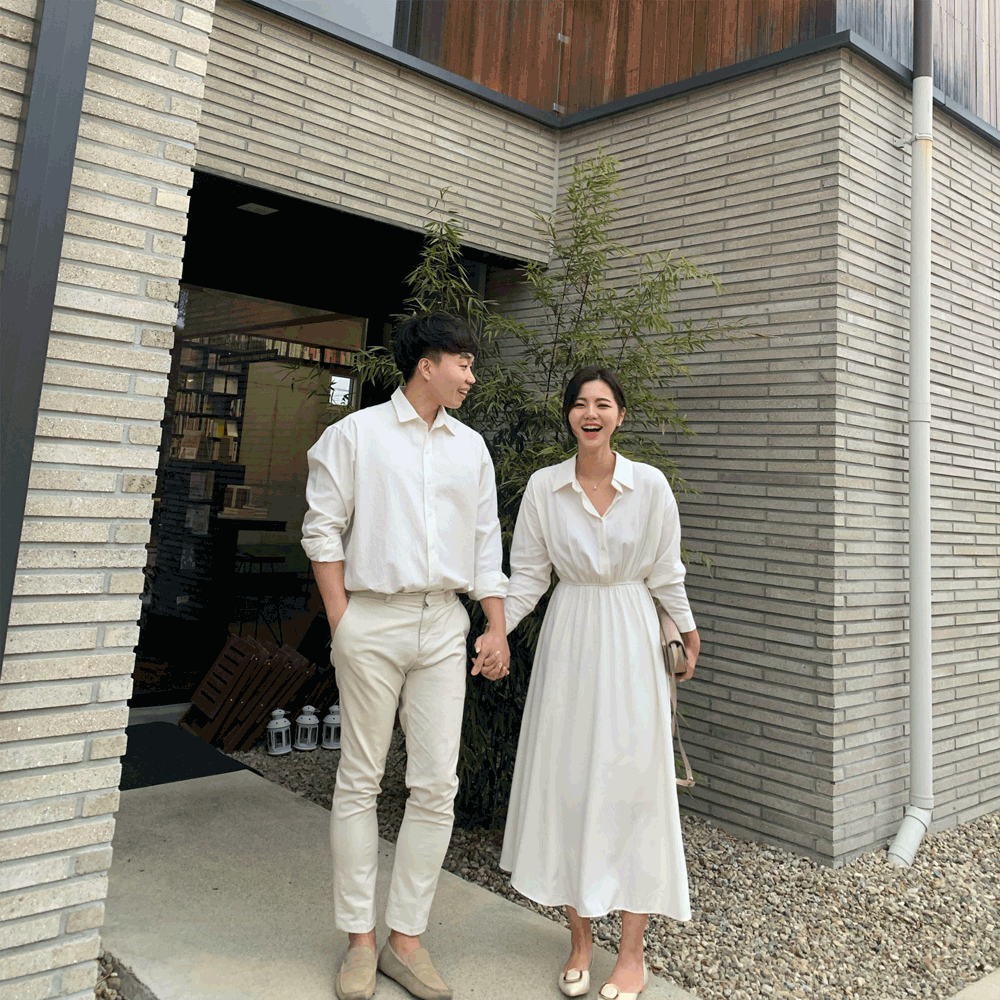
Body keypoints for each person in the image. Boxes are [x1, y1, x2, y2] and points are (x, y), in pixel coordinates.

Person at [301, 313, 510, 1000]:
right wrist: (343, 622)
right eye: (464, 363)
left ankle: (406, 941)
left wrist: (495, 625)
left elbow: (485, 544)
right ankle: (360, 943)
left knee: (437, 785)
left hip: (444, 623)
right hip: (372, 618)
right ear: (427, 364)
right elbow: (322, 530)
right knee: (360, 780)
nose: (471, 376)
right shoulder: (356, 435)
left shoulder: (470, 448)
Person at [500, 366, 700, 1000]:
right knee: (570, 783)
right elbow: (528, 576)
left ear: (620, 415)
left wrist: (688, 629)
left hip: (633, 636)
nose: (591, 413)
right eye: (581, 403)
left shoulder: (651, 485)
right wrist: (496, 629)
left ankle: (632, 952)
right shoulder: (544, 486)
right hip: (570, 638)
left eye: (604, 404)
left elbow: (667, 570)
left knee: (637, 785)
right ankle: (581, 941)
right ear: (568, 414)